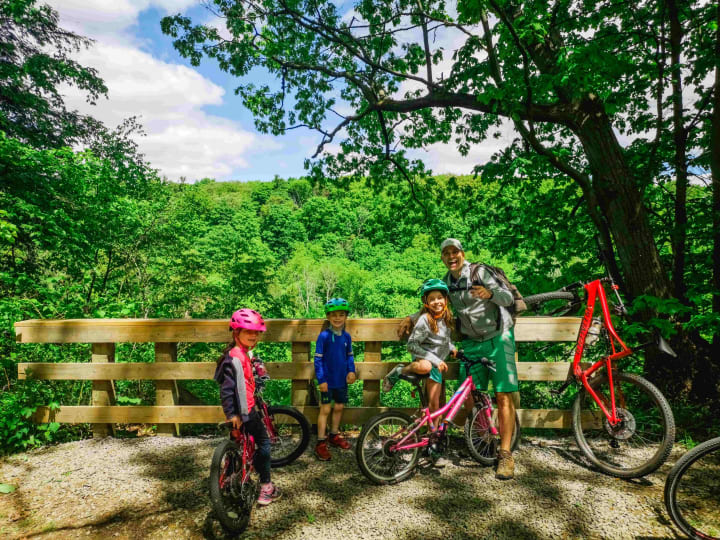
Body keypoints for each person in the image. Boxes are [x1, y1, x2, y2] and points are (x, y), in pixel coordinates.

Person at [398, 238, 519, 480]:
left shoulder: (479, 272)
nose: (451, 256)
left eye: (455, 252)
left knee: (503, 394)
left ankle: (505, 454)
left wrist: (490, 293)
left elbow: (508, 299)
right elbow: (434, 305)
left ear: (463, 253)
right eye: (446, 253)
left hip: (498, 338)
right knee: (468, 397)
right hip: (471, 343)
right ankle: (483, 442)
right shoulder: (446, 283)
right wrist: (411, 318)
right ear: (442, 258)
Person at [214, 308, 281, 506]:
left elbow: (246, 369)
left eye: (256, 333)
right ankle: (266, 488)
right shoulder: (236, 358)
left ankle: (230, 478)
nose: (253, 336)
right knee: (264, 443)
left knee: (238, 443)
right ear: (236, 332)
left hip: (240, 411)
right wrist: (232, 414)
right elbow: (227, 390)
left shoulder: (238, 353)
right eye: (248, 332)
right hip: (245, 412)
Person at [383, 279, 456, 424]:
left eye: (439, 297)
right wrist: (435, 360)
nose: (436, 302)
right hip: (424, 359)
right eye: (432, 299)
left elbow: (443, 339)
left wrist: (451, 347)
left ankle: (432, 433)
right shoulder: (424, 320)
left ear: (446, 299)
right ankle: (400, 370)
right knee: (426, 366)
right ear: (426, 302)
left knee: (434, 404)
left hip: (437, 364)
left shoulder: (446, 317)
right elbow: (411, 345)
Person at [313, 298, 356, 461]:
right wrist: (321, 380)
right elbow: (318, 359)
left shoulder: (346, 337)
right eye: (334, 315)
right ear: (328, 317)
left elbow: (349, 355)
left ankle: (334, 435)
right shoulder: (324, 336)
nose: (337, 318)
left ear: (346, 316)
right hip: (327, 381)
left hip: (341, 380)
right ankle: (320, 441)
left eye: (341, 315)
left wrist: (351, 371)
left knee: (339, 407)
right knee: (325, 409)